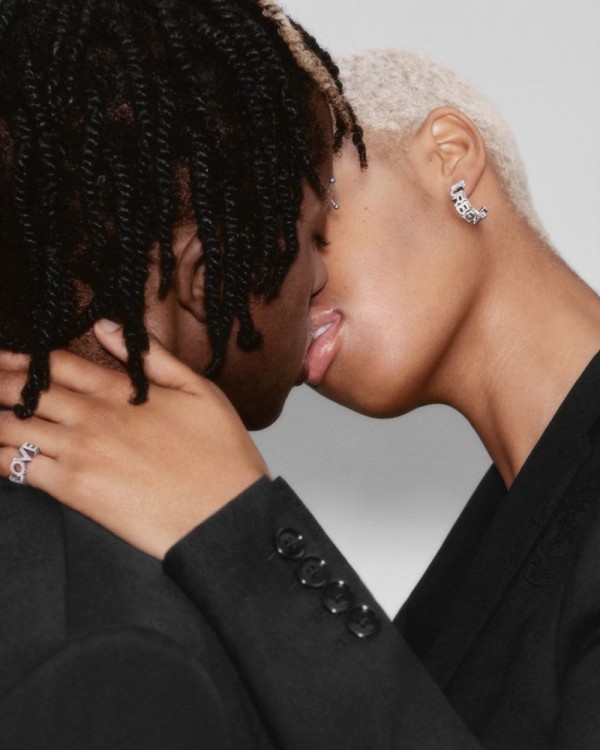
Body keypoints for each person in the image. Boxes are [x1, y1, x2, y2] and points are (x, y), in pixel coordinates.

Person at [2, 47, 600, 748]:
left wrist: (239, 532)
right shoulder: (486, 566)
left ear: (449, 156)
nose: (284, 277)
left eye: (314, 220)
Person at [0, 0, 371, 746]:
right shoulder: (124, 661)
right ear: (213, 276)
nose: (322, 276)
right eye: (314, 235)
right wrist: (250, 533)